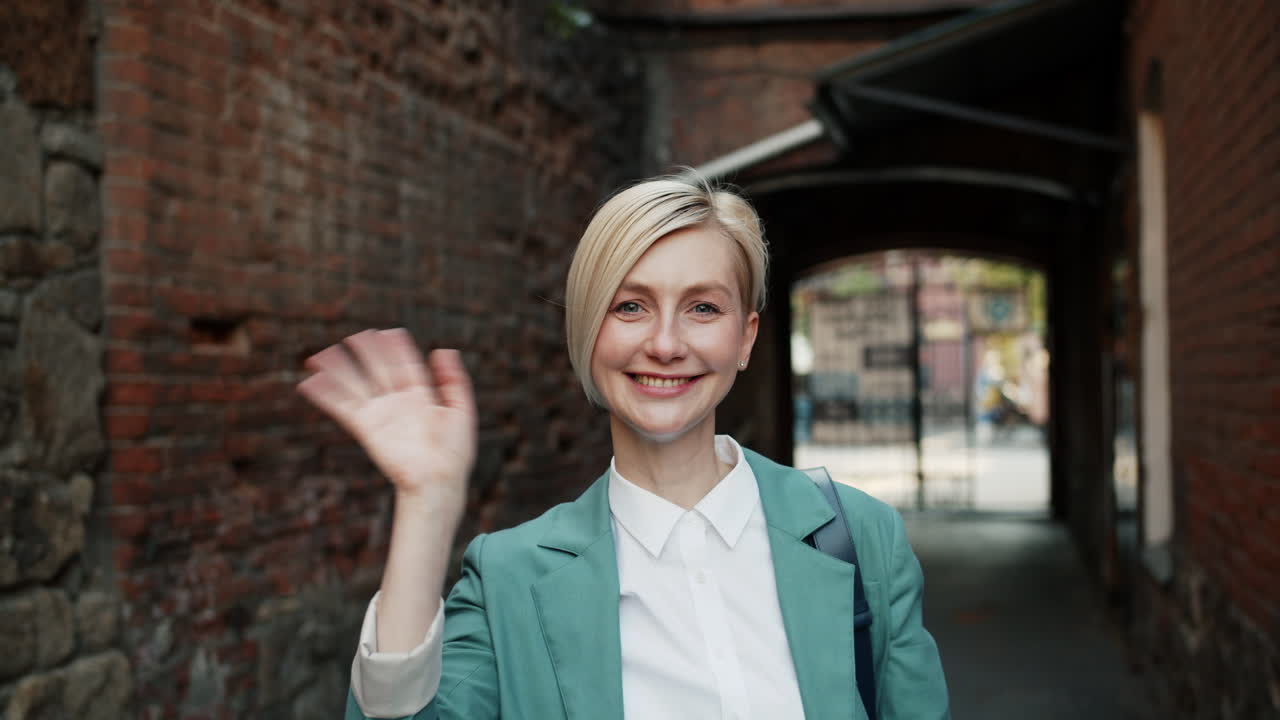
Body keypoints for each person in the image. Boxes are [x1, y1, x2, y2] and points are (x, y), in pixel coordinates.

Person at [299, 174, 949, 720]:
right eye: (631, 307)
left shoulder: (859, 538)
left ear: (746, 338)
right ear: (588, 330)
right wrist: (427, 501)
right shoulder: (510, 579)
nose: (665, 344)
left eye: (702, 309)